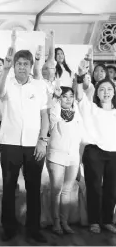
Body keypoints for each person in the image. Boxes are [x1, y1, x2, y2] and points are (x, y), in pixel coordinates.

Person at [0, 31, 49, 243]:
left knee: (34, 188)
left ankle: (33, 228)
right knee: (9, 187)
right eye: (19, 63)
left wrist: (43, 140)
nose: (22, 67)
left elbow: (45, 115)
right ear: (14, 65)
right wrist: (4, 70)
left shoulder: (39, 86)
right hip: (9, 144)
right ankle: (9, 227)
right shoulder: (6, 82)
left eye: (26, 64)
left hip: (34, 145)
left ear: (30, 66)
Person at [76, 60, 116, 234]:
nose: (106, 93)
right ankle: (94, 221)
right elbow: (79, 95)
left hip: (114, 153)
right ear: (97, 93)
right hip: (94, 151)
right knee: (94, 187)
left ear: (114, 92)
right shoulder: (90, 107)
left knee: (112, 188)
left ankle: (107, 220)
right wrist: (79, 76)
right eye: (102, 90)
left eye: (109, 90)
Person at [47, 85, 83, 235]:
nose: (68, 99)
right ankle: (56, 222)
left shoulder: (77, 112)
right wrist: (55, 97)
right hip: (56, 155)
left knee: (67, 191)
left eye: (70, 96)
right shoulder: (55, 112)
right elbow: (52, 111)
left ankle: (65, 222)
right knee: (56, 190)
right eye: (64, 96)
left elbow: (80, 134)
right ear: (59, 98)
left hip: (73, 156)